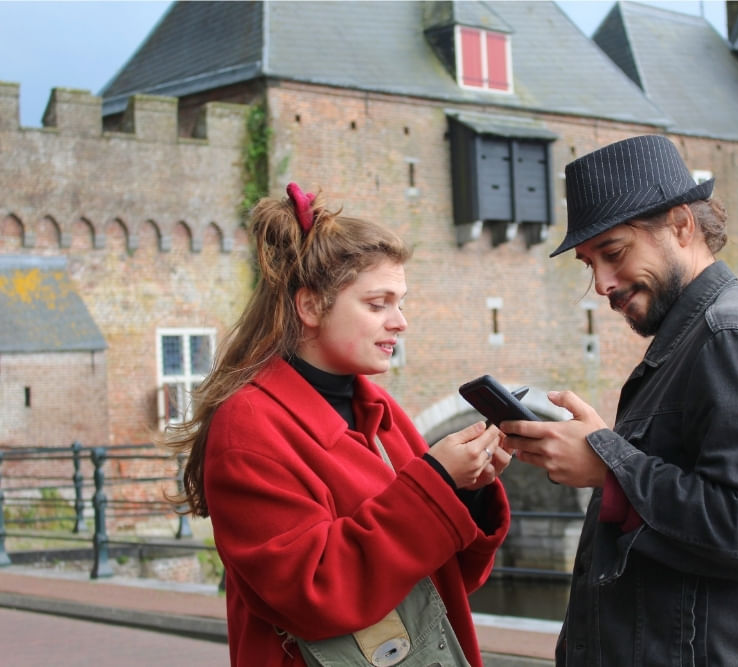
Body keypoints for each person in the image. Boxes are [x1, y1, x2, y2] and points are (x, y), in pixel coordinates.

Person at [501, 134, 738, 665]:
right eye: (588, 263)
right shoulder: (695, 341)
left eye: (614, 252)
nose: (601, 283)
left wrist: (609, 466)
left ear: (681, 225)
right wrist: (609, 450)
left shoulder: (729, 338)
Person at [166, 183, 511, 667]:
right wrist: (434, 485)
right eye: (378, 304)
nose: (400, 321)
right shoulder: (248, 427)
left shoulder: (381, 412)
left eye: (401, 301)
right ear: (310, 307)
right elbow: (312, 592)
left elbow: (442, 579)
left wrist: (467, 488)